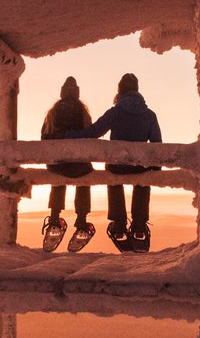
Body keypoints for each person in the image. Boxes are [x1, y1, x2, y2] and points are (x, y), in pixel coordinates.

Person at [68, 73, 161, 252]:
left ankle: (119, 227)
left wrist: (67, 136)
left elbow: (94, 132)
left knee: (113, 177)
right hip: (139, 168)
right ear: (137, 91)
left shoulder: (115, 112)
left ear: (120, 90)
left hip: (117, 166)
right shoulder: (150, 115)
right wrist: (155, 170)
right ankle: (139, 227)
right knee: (144, 180)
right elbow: (157, 146)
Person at [40, 77, 96, 253]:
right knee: (85, 178)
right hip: (79, 166)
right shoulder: (83, 112)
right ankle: (81, 220)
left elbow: (44, 136)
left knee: (58, 177)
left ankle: (55, 219)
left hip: (57, 165)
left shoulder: (53, 112)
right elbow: (90, 137)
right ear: (77, 93)